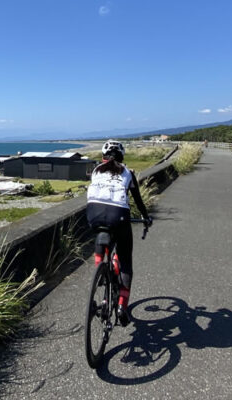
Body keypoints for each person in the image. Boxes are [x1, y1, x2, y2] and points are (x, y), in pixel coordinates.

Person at [86, 140, 151, 327]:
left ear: (103, 157)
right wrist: (146, 218)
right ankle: (122, 305)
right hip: (119, 217)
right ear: (122, 157)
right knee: (125, 263)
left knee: (101, 234)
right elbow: (137, 200)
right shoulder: (128, 173)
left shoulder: (96, 170)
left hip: (93, 215)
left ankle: (99, 270)